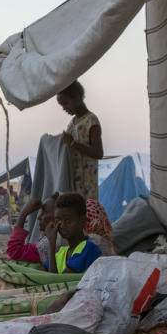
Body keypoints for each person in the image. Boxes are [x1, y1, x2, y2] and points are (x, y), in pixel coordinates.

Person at [57, 80, 114, 250]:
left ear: (77, 98)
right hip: (74, 180)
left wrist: (73, 144)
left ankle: (87, 252)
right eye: (62, 105)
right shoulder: (73, 123)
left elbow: (98, 152)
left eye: (66, 103)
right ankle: (76, 251)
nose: (64, 108)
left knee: (85, 216)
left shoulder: (91, 121)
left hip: (87, 182)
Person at [44, 193, 102, 274]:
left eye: (68, 221)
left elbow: (58, 282)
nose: (62, 226)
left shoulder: (88, 248)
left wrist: (51, 244)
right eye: (58, 221)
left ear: (82, 221)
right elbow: (40, 272)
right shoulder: (61, 252)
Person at [7, 197, 57, 263]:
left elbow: (14, 251)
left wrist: (23, 214)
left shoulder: (49, 245)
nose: (39, 217)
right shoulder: (50, 241)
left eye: (44, 213)